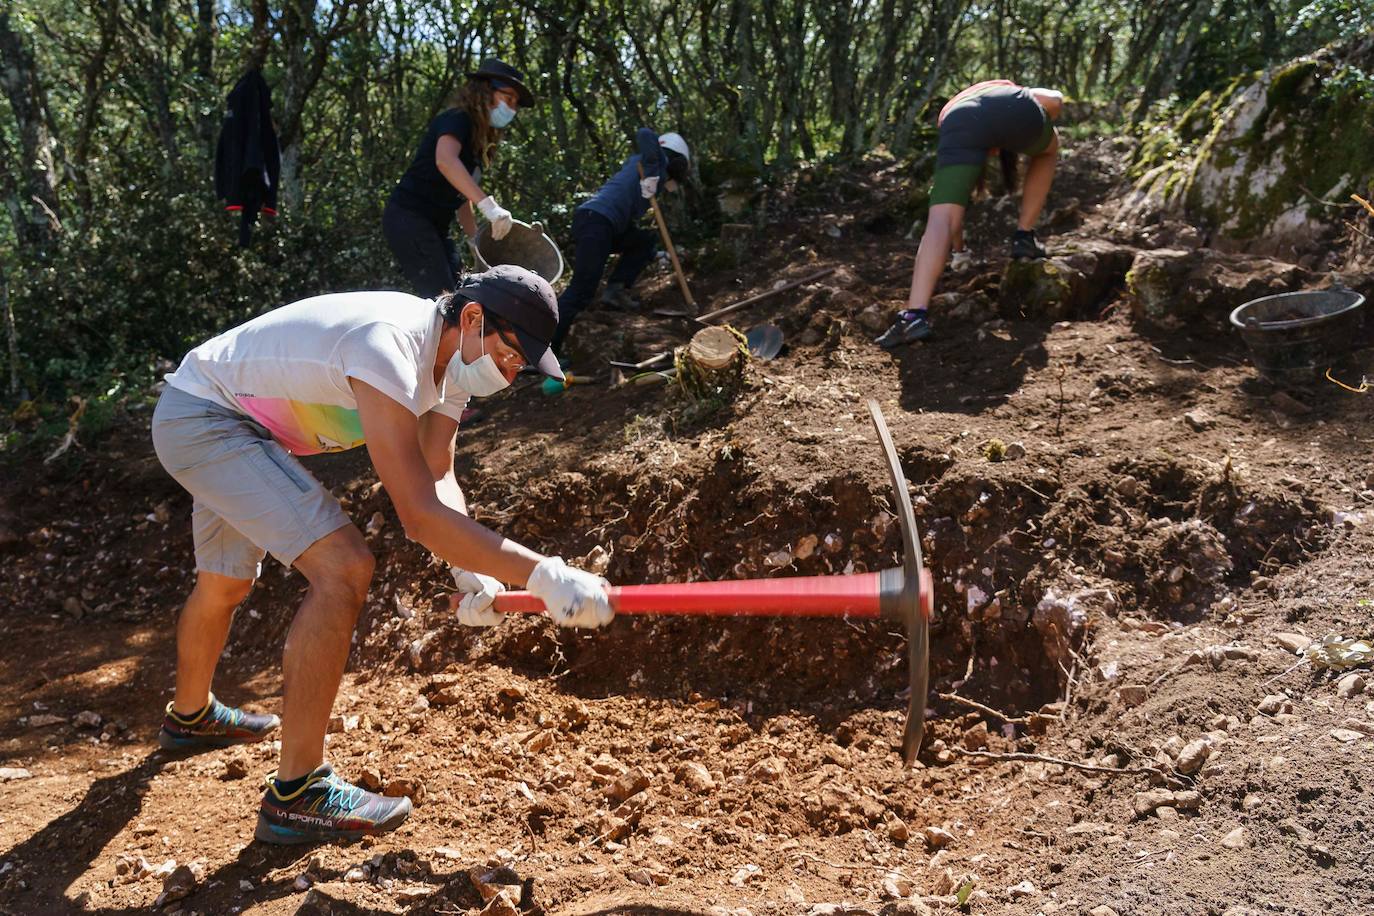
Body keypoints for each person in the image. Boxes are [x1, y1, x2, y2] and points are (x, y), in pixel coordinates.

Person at [151, 265, 614, 845]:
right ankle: (298, 793)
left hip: (225, 417)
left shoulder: (454, 371)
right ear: (473, 319)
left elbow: (437, 472)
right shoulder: (389, 345)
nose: (513, 372)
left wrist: (473, 571)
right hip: (205, 420)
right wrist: (543, 574)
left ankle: (189, 717)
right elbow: (418, 515)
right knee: (343, 568)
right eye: (514, 355)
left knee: (225, 585)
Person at [877, 81, 1064, 348]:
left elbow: (952, 216)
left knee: (940, 218)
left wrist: (959, 251)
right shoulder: (1011, 91)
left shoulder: (956, 110)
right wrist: (1048, 115)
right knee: (1050, 149)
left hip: (960, 120)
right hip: (1019, 110)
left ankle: (914, 315)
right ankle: (1024, 235)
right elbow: (1055, 99)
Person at [383, 58, 534, 299]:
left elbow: (462, 193)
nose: (512, 108)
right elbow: (445, 161)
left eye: (516, 103)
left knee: (461, 293)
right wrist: (490, 207)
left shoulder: (479, 139)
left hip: (437, 227)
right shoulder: (457, 118)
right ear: (486, 91)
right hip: (409, 218)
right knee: (441, 299)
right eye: (508, 97)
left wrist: (474, 238)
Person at [552, 129, 691, 354]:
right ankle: (545, 350)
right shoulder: (654, 164)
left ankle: (615, 291)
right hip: (596, 222)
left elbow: (628, 229)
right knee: (581, 290)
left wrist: (653, 253)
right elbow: (645, 133)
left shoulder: (643, 168)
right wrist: (655, 171)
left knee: (644, 240)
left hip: (604, 224)